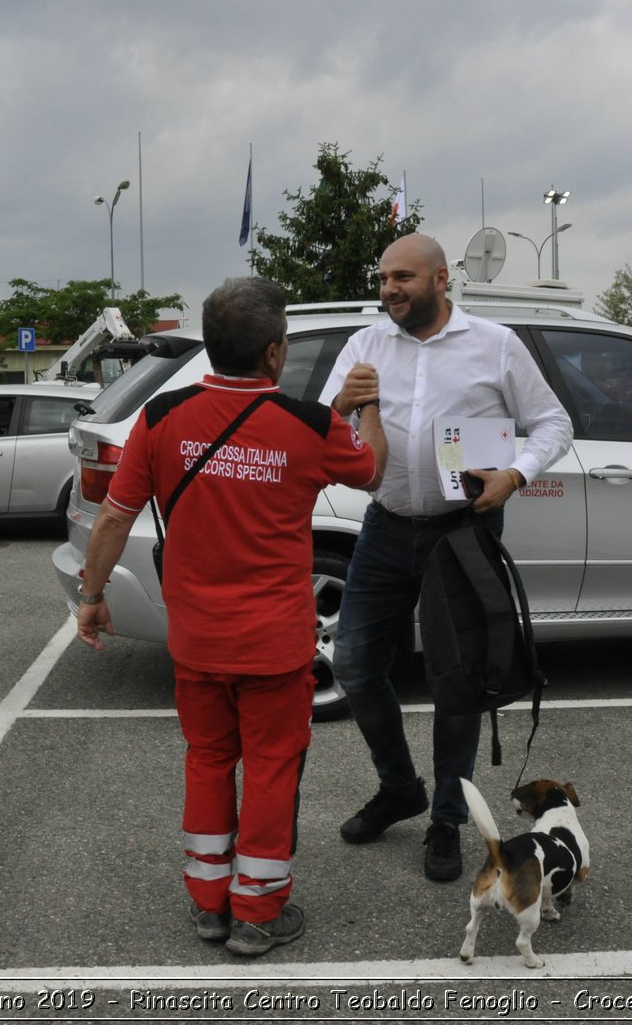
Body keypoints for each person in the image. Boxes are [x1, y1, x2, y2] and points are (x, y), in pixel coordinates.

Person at [75, 277, 386, 957]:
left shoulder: (160, 419)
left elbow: (112, 517)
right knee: (273, 767)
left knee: (208, 761)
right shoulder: (311, 426)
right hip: (275, 645)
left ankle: (209, 903)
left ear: (213, 348)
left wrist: (92, 597)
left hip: (197, 639)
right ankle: (257, 911)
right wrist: (367, 407)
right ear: (275, 352)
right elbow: (369, 471)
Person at [319, 233, 573, 883]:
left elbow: (553, 423)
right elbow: (319, 423)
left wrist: (513, 475)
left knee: (455, 681)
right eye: (382, 279)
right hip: (386, 524)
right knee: (351, 660)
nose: (388, 290)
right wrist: (342, 404)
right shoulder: (366, 345)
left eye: (401, 277)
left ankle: (446, 818)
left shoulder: (495, 344)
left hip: (463, 531)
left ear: (440, 278)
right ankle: (400, 786)